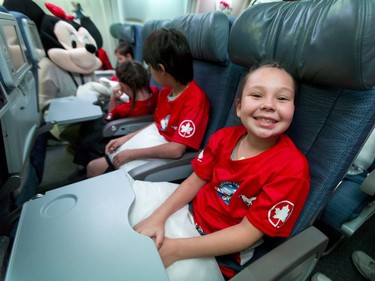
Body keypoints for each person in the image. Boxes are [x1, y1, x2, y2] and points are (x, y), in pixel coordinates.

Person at [130, 63, 310, 280]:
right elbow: (194, 181)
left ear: (293, 109)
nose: (269, 105)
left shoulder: (292, 169)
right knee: (131, 200)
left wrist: (175, 249)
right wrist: (158, 217)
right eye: (256, 95)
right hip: (190, 213)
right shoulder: (224, 137)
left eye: (282, 98)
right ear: (239, 107)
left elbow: (246, 234)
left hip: (218, 250)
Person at [86, 28, 210, 177]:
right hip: (151, 142)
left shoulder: (195, 101)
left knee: (95, 168)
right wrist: (124, 139)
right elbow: (159, 124)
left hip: (164, 157)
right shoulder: (166, 92)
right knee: (93, 167)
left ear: (161, 69)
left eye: (150, 67)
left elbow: (176, 149)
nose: (150, 72)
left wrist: (132, 154)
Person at [71, 60, 159, 178]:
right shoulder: (155, 91)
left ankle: (83, 164)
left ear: (126, 87)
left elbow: (110, 118)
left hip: (120, 131)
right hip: (143, 123)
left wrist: (113, 98)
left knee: (90, 128)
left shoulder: (124, 109)